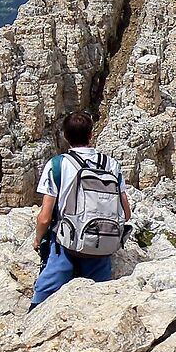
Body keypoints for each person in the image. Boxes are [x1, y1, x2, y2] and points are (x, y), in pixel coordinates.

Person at [32, 109, 132, 306]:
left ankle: (30, 322)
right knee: (99, 302)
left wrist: (38, 240)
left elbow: (44, 217)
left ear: (65, 136)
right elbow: (126, 214)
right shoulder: (111, 164)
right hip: (102, 244)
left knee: (44, 295)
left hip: (65, 245)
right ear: (92, 134)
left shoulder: (58, 165)